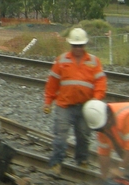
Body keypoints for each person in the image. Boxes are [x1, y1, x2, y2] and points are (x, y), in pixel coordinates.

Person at [43, 27, 107, 175]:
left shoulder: (93, 61)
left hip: (86, 107)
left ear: (85, 45)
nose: (78, 48)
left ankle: (82, 161)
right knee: (61, 136)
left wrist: (96, 102)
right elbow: (52, 83)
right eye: (75, 45)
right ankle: (56, 164)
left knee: (84, 136)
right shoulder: (62, 60)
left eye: (81, 45)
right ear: (70, 45)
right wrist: (48, 101)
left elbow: (100, 83)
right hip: (64, 106)